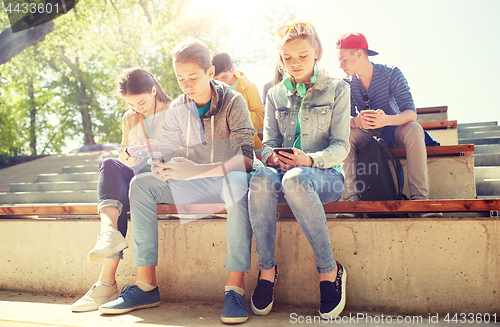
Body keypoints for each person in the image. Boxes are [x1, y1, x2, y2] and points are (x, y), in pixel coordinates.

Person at [98, 38, 256, 324]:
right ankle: (147, 285)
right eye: (180, 79)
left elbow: (246, 160)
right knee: (141, 184)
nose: (186, 85)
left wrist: (194, 171)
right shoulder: (177, 109)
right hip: (190, 185)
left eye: (193, 77)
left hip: (224, 183)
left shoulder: (234, 101)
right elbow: (169, 154)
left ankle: (234, 289)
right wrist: (162, 167)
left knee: (236, 181)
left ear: (210, 72)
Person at [248, 22, 349, 319]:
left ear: (317, 53)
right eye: (287, 58)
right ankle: (267, 270)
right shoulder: (274, 94)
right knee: (260, 179)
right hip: (285, 175)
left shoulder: (338, 89)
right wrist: (273, 157)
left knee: (295, 178)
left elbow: (342, 146)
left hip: (325, 177)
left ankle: (329, 271)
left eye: (302, 56)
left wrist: (309, 160)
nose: (295, 64)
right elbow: (267, 143)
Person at [71, 67, 172, 312]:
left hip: (165, 177)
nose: (137, 108)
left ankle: (106, 282)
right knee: (109, 164)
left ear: (153, 89)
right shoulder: (129, 118)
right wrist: (129, 153)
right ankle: (108, 234)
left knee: (127, 193)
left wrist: (158, 150)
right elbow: (125, 154)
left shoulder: (175, 110)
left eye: (141, 102)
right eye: (130, 104)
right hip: (139, 174)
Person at [336, 32, 442, 218]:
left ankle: (420, 201)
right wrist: (356, 121)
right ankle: (350, 202)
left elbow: (411, 113)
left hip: (393, 128)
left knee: (415, 129)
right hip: (366, 133)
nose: (340, 65)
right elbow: (341, 120)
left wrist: (386, 120)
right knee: (346, 134)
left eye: (344, 59)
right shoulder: (345, 84)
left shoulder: (391, 73)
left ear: (359, 53)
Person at [212, 52, 264, 153]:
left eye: (224, 77)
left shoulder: (249, 87)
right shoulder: (211, 90)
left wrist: (237, 116)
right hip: (223, 151)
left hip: (250, 148)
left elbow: (260, 118)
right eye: (216, 79)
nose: (221, 83)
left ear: (232, 69)